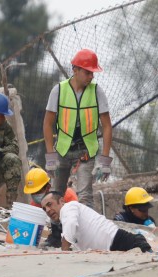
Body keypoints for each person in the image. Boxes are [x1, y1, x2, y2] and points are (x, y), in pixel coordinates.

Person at [43, 48, 113, 208]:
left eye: (92, 73)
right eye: (88, 72)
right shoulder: (59, 90)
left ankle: (85, 232)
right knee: (55, 195)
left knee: (85, 197)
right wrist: (50, 157)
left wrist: (105, 161)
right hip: (62, 151)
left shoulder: (97, 92)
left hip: (86, 153)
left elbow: (107, 126)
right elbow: (47, 123)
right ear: (75, 70)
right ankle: (57, 230)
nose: (91, 76)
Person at [41, 191, 151, 252]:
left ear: (61, 201)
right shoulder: (65, 217)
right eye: (44, 208)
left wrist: (63, 251)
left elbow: (71, 224)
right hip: (114, 245)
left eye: (49, 204)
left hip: (119, 240)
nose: (48, 210)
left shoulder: (69, 207)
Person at [23, 167, 78, 247]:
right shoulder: (35, 204)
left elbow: (75, 222)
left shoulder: (67, 196)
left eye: (38, 192)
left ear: (48, 187)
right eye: (32, 193)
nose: (35, 195)